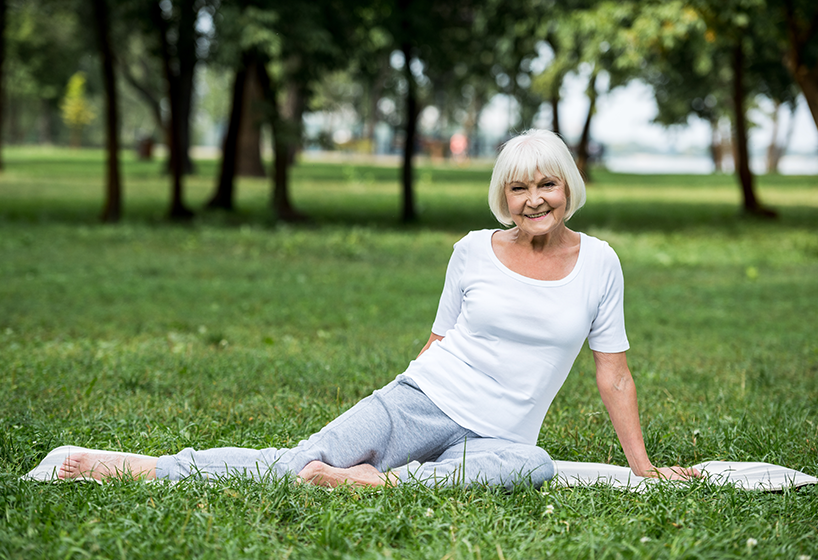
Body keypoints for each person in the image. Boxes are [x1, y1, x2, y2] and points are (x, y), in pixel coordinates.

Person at [59, 129, 700, 488]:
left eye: (547, 183)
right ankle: (145, 469)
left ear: (569, 187)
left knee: (532, 467)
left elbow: (612, 373)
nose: (535, 199)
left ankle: (383, 485)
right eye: (519, 186)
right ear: (503, 195)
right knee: (301, 461)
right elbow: (437, 341)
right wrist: (389, 412)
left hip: (500, 437)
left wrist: (643, 469)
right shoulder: (472, 252)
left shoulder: (600, 263)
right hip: (422, 398)